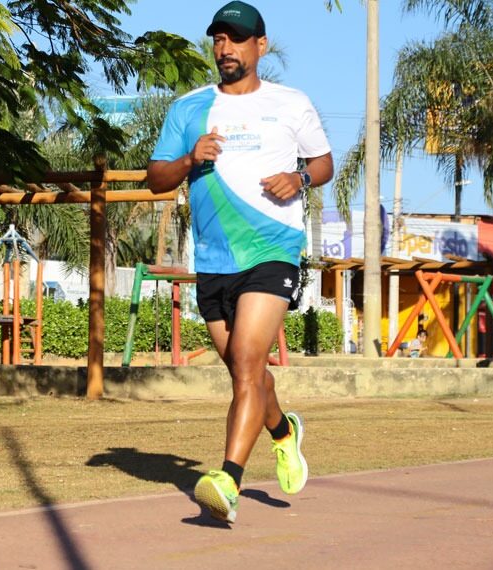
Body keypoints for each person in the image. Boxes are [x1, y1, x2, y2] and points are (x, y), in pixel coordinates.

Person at [147, 0, 333, 523]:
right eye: (218, 39)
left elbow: (324, 163)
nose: (224, 48)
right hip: (213, 258)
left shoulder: (290, 103)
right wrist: (190, 159)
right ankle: (283, 431)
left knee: (249, 363)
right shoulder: (189, 109)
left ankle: (227, 477)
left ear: (260, 46)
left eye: (236, 38)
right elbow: (156, 177)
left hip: (274, 248)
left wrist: (297, 179)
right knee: (244, 373)